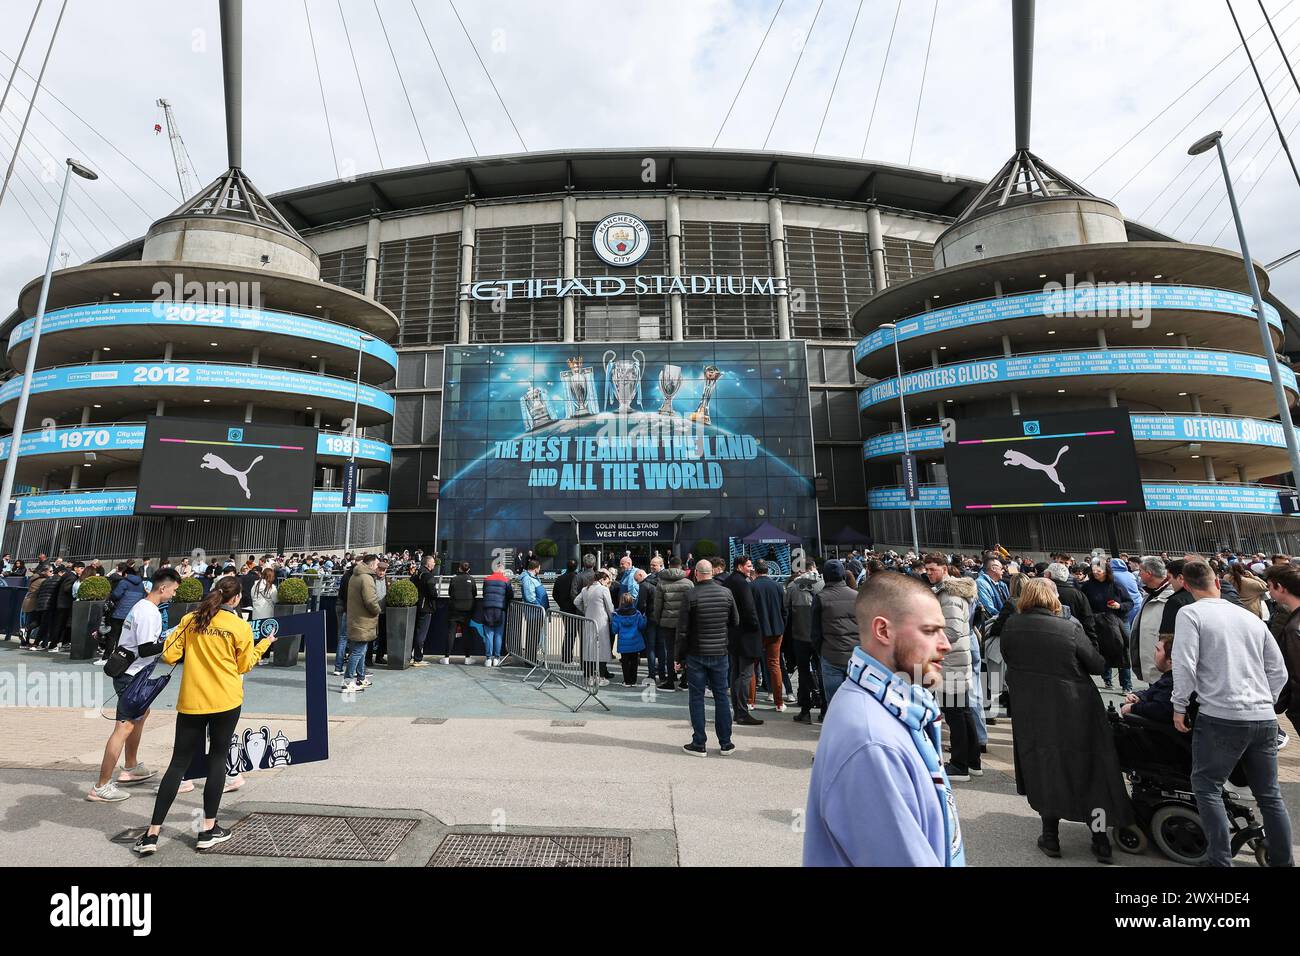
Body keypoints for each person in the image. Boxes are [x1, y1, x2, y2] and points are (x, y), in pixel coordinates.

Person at [803, 572, 963, 866]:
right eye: (930, 631)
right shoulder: (873, 741)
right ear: (883, 631)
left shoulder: (890, 706)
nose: (945, 644)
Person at [132, 577, 276, 855]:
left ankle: (152, 833)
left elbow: (170, 656)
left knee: (178, 764)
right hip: (225, 699)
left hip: (192, 700)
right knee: (218, 760)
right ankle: (208, 828)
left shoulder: (191, 619)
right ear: (235, 600)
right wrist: (264, 644)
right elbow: (244, 665)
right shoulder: (239, 626)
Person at [999, 577, 1131, 862]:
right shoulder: (1069, 627)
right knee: (1093, 771)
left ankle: (1051, 838)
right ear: (1053, 597)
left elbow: (1009, 659)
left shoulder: (1012, 625)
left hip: (1033, 709)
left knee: (1044, 768)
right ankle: (1100, 840)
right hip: (1076, 707)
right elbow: (1096, 664)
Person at [1172, 560, 1292, 867]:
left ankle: (1220, 860)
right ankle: (1283, 862)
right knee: (1270, 795)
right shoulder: (1248, 616)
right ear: (1216, 580)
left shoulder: (1190, 614)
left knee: (1207, 786)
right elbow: (1278, 670)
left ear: (1186, 584)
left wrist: (1179, 706)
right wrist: (1266, 701)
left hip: (1221, 716)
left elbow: (1184, 664)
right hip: (1263, 716)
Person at [86, 569, 182, 803]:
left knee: (140, 716)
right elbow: (147, 648)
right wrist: (173, 637)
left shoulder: (142, 606)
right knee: (124, 727)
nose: (174, 594)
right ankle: (101, 786)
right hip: (131, 675)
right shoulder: (149, 613)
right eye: (174, 590)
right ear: (163, 588)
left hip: (131, 673)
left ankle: (130, 766)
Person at [923, 553, 981, 782]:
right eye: (926, 569)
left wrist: (928, 638)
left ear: (944, 569)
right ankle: (972, 761)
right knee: (962, 712)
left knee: (957, 713)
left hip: (952, 661)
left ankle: (960, 764)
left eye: (933, 569)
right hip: (955, 659)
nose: (928, 573)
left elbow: (953, 631)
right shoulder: (948, 592)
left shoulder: (949, 594)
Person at [676, 559, 739, 756]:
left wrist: (678, 656)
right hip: (720, 651)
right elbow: (735, 621)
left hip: (696, 652)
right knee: (721, 696)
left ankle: (699, 742)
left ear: (696, 573)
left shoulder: (691, 595)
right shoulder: (726, 593)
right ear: (712, 572)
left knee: (696, 697)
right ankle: (726, 742)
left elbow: (682, 630)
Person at [1081, 559, 1134, 692]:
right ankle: (1107, 680)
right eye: (1094, 571)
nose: (1096, 573)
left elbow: (1129, 603)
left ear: (1106, 571)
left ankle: (1126, 685)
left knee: (1122, 651)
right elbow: (1084, 604)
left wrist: (1119, 606)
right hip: (1097, 622)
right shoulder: (1087, 586)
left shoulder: (1116, 585)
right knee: (1102, 650)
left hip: (1117, 620)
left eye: (1099, 571)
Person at [722, 555, 763, 726]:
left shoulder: (729, 581)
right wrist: (755, 627)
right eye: (748, 565)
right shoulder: (742, 583)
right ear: (740, 566)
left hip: (732, 633)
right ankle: (742, 712)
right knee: (745, 674)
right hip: (746, 634)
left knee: (735, 672)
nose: (751, 568)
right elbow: (749, 608)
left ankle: (737, 711)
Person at [812, 560, 858, 712]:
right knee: (856, 701)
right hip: (855, 656)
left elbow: (815, 632)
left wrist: (821, 652)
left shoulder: (820, 598)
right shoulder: (857, 596)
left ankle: (838, 733)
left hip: (831, 655)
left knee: (835, 703)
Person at [785, 560, 824, 723]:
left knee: (803, 672)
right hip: (820, 636)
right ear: (813, 568)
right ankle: (824, 709)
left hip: (800, 635)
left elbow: (785, 608)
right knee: (822, 671)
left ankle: (805, 709)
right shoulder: (823, 584)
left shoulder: (793, 586)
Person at [751, 560, 787, 713]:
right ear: (768, 571)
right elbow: (784, 610)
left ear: (756, 572)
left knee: (752, 666)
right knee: (774, 665)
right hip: (775, 630)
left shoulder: (751, 587)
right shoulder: (778, 586)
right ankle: (779, 702)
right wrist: (782, 626)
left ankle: (750, 701)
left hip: (756, 632)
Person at [652, 556, 693, 691]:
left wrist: (658, 620)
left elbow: (658, 606)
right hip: (685, 622)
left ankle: (670, 681)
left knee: (670, 651)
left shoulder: (661, 583)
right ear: (681, 566)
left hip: (667, 622)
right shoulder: (688, 583)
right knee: (686, 650)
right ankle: (685, 681)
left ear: (669, 565)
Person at [342, 555, 382, 693]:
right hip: (363, 619)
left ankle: (361, 677)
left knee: (360, 650)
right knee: (358, 651)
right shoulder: (366, 578)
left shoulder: (355, 575)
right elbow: (370, 600)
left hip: (356, 618)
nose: (378, 567)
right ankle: (348, 681)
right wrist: (378, 610)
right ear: (371, 565)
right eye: (377, 564)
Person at [1131, 555, 1173, 684]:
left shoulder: (1170, 597)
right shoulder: (1151, 593)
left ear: (1149, 574)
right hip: (1152, 663)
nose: (1139, 575)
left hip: (1163, 666)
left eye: (1141, 572)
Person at [1120, 634, 1174, 723]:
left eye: (1158, 650)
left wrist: (1132, 708)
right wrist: (1137, 696)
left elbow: (1159, 708)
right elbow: (1152, 691)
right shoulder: (1168, 678)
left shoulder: (1170, 683)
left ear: (1170, 659)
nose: (1154, 653)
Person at [575, 570, 615, 684]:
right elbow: (609, 607)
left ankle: (590, 677)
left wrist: (585, 610)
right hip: (601, 621)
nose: (608, 584)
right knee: (602, 648)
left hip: (589, 620)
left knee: (589, 648)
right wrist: (612, 619)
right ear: (602, 579)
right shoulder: (603, 589)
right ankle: (600, 677)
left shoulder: (585, 589)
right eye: (607, 581)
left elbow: (576, 601)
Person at [637, 557, 663, 686]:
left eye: (655, 565)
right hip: (662, 617)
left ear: (661, 565)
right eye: (651, 565)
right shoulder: (665, 581)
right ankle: (662, 674)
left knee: (651, 647)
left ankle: (652, 674)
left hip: (652, 618)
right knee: (661, 647)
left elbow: (641, 604)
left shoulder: (645, 584)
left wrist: (641, 613)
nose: (652, 567)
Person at [611, 592, 647, 686]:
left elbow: (615, 630)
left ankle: (627, 681)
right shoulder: (637, 613)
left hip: (623, 643)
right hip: (635, 641)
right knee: (634, 661)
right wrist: (644, 618)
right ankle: (633, 680)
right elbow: (641, 626)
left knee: (625, 662)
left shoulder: (617, 615)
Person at [480, 566, 512, 667]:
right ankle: (496, 658)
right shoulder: (506, 580)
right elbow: (510, 594)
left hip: (487, 608)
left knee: (489, 634)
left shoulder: (487, 580)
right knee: (498, 634)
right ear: (502, 572)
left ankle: (488, 659)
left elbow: (484, 593)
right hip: (500, 609)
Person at [446, 562, 477, 664]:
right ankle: (467, 658)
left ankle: (446, 658)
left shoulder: (454, 579)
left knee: (451, 633)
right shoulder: (471, 579)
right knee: (466, 633)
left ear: (459, 569)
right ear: (468, 570)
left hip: (454, 609)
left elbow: (449, 593)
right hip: (467, 610)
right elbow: (475, 593)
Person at [411, 555, 438, 667]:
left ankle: (412, 656)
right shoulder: (428, 576)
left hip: (416, 607)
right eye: (433, 563)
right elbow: (433, 593)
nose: (434, 564)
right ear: (428, 564)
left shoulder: (417, 574)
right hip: (425, 608)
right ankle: (418, 658)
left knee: (415, 633)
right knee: (421, 634)